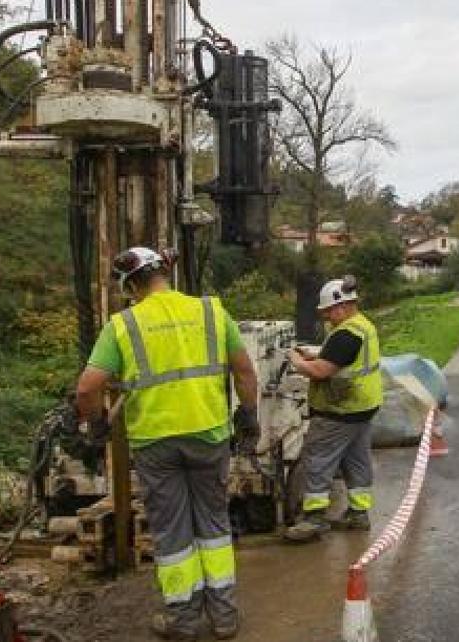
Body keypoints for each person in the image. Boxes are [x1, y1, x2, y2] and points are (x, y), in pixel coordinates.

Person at [74, 246, 260, 641]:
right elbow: (244, 370)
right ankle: (225, 618)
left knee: (172, 532)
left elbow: (87, 388)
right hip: (209, 436)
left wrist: (97, 426)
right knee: (213, 524)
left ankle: (184, 621)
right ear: (164, 273)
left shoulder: (122, 325)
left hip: (155, 444)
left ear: (131, 285)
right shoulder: (210, 311)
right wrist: (248, 414)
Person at [284, 275, 384, 542]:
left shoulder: (347, 333)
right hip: (362, 408)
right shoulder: (362, 326)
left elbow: (321, 371)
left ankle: (313, 519)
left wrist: (295, 360)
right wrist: (316, 353)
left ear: (341, 306)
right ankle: (358, 513)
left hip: (339, 410)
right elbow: (339, 358)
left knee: (318, 458)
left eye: (328, 311)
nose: (327, 317)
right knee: (356, 460)